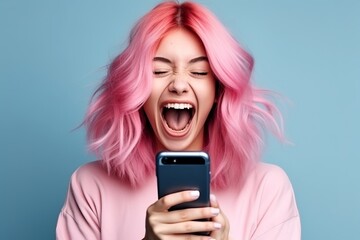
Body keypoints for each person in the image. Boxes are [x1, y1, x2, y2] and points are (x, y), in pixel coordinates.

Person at [56, 1, 301, 239]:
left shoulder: (267, 189)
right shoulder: (90, 186)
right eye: (159, 71)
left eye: (199, 72)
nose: (179, 84)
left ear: (218, 90)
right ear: (137, 88)